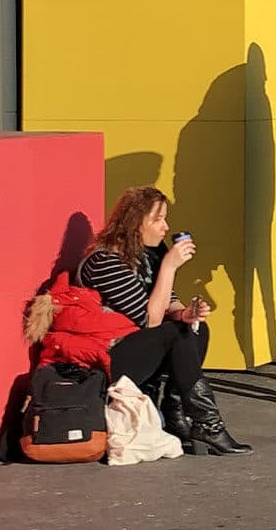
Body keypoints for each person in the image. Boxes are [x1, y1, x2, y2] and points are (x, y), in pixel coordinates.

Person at [75, 186, 250, 455]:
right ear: (135, 223)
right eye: (157, 220)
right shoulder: (104, 261)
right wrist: (169, 266)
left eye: (165, 218)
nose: (165, 227)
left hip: (139, 347)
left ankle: (177, 412)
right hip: (108, 356)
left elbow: (168, 299)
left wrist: (187, 313)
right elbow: (148, 321)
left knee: (193, 329)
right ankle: (208, 424)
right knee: (173, 334)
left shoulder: (149, 252)